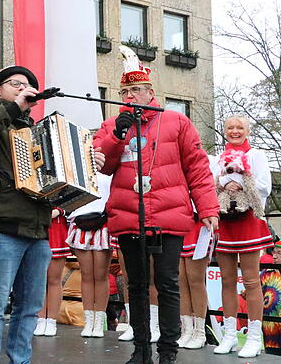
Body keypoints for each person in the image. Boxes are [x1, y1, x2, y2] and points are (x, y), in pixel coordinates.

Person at [93, 46, 219, 364]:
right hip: (127, 213)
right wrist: (117, 134)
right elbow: (102, 165)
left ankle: (168, 351)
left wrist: (207, 209)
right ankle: (141, 349)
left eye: (136, 89)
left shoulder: (176, 122)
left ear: (150, 91)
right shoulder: (112, 126)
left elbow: (198, 167)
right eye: (125, 91)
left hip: (168, 213)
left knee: (167, 283)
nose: (130, 95)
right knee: (135, 284)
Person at [0, 65, 70, 364]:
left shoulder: (36, 131)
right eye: (16, 84)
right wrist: (13, 108)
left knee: (30, 305)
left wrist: (87, 161)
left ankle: (20, 360)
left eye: (28, 86)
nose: (23, 89)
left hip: (37, 229)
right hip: (1, 226)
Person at [211, 114, 273, 358]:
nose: (234, 131)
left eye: (239, 127)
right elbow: (212, 183)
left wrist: (238, 181)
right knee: (226, 280)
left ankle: (254, 338)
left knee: (250, 281)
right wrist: (224, 181)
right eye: (230, 128)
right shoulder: (218, 158)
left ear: (247, 130)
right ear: (224, 131)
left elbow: (265, 186)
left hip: (248, 221)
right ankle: (229, 335)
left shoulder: (256, 155)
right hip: (225, 220)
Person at [66, 173, 112, 338]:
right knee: (86, 275)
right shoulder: (77, 166)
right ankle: (88, 320)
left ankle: (98, 322)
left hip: (103, 221)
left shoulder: (109, 166)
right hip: (80, 221)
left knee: (100, 275)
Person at [33, 208, 69, 337]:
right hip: (35, 225)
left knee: (54, 279)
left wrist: (60, 210)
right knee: (38, 279)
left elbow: (73, 198)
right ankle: (40, 319)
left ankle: (52, 320)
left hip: (56, 226)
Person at [176, 216, 209, 349]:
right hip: (178, 223)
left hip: (199, 223)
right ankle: (187, 330)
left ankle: (200, 332)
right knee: (181, 280)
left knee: (195, 280)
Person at [261, 236, 281, 355]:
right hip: (270, 336)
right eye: (274, 252)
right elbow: (252, 295)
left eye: (280, 253)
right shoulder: (267, 273)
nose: (274, 256)